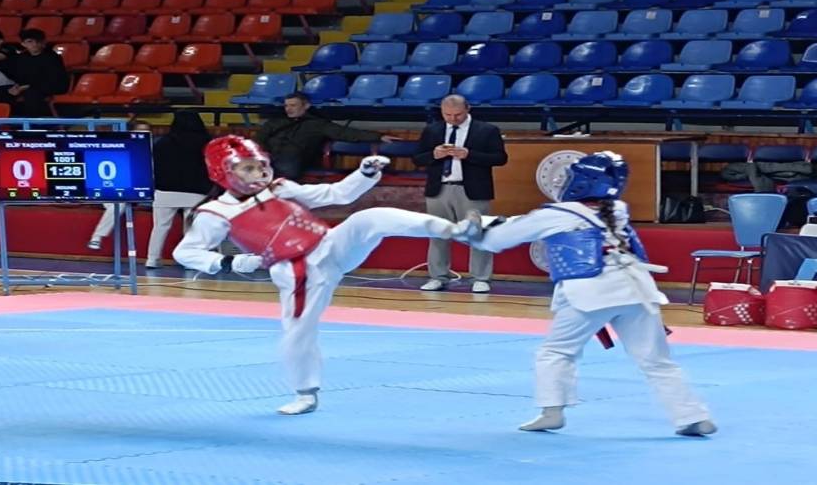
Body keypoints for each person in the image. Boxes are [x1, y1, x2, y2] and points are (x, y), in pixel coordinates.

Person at [173, 135, 475, 415]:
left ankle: (459, 230)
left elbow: (337, 194)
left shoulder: (281, 189)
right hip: (297, 270)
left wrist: (364, 173)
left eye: (261, 165)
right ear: (223, 172)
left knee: (371, 218)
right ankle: (305, 393)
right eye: (248, 168)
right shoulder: (215, 213)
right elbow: (186, 252)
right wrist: (230, 262)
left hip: (330, 245)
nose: (259, 173)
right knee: (298, 331)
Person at [459, 151, 717, 437]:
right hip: (637, 290)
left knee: (556, 351)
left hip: (590, 292)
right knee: (657, 360)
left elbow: (495, 241)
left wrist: (472, 230)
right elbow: (539, 221)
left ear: (579, 182)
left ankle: (552, 412)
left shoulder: (556, 214)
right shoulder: (617, 210)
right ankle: (693, 416)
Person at [87, 116, 215, 267]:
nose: (143, 134)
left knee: (160, 227)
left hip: (162, 193)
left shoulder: (161, 144)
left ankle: (152, 259)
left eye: (146, 131)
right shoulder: (207, 143)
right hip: (196, 193)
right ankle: (189, 261)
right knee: (191, 228)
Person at [413, 94, 507, 293]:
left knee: (478, 234)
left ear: (468, 109)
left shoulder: (487, 130)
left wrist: (469, 155)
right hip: (439, 189)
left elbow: (500, 158)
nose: (453, 119)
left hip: (472, 190)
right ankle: (438, 276)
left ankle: (481, 278)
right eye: (447, 115)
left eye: (457, 115)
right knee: (438, 234)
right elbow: (418, 158)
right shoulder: (433, 130)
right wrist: (434, 155)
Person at [255, 92, 401, 180]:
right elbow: (259, 139)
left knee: (283, 169)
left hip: (293, 161)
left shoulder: (318, 124)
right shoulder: (275, 122)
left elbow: (345, 133)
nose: (288, 109)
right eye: (287, 105)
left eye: (293, 105)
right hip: (269, 158)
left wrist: (378, 136)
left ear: (306, 106)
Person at [0, 28, 69, 117]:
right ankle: (7, 118)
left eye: (38, 41)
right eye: (30, 42)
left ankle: (34, 122)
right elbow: (17, 75)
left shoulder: (52, 57)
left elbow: (54, 79)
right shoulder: (21, 58)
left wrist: (26, 87)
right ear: (23, 44)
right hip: (24, 86)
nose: (34, 44)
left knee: (31, 93)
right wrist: (16, 87)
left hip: (49, 86)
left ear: (43, 42)